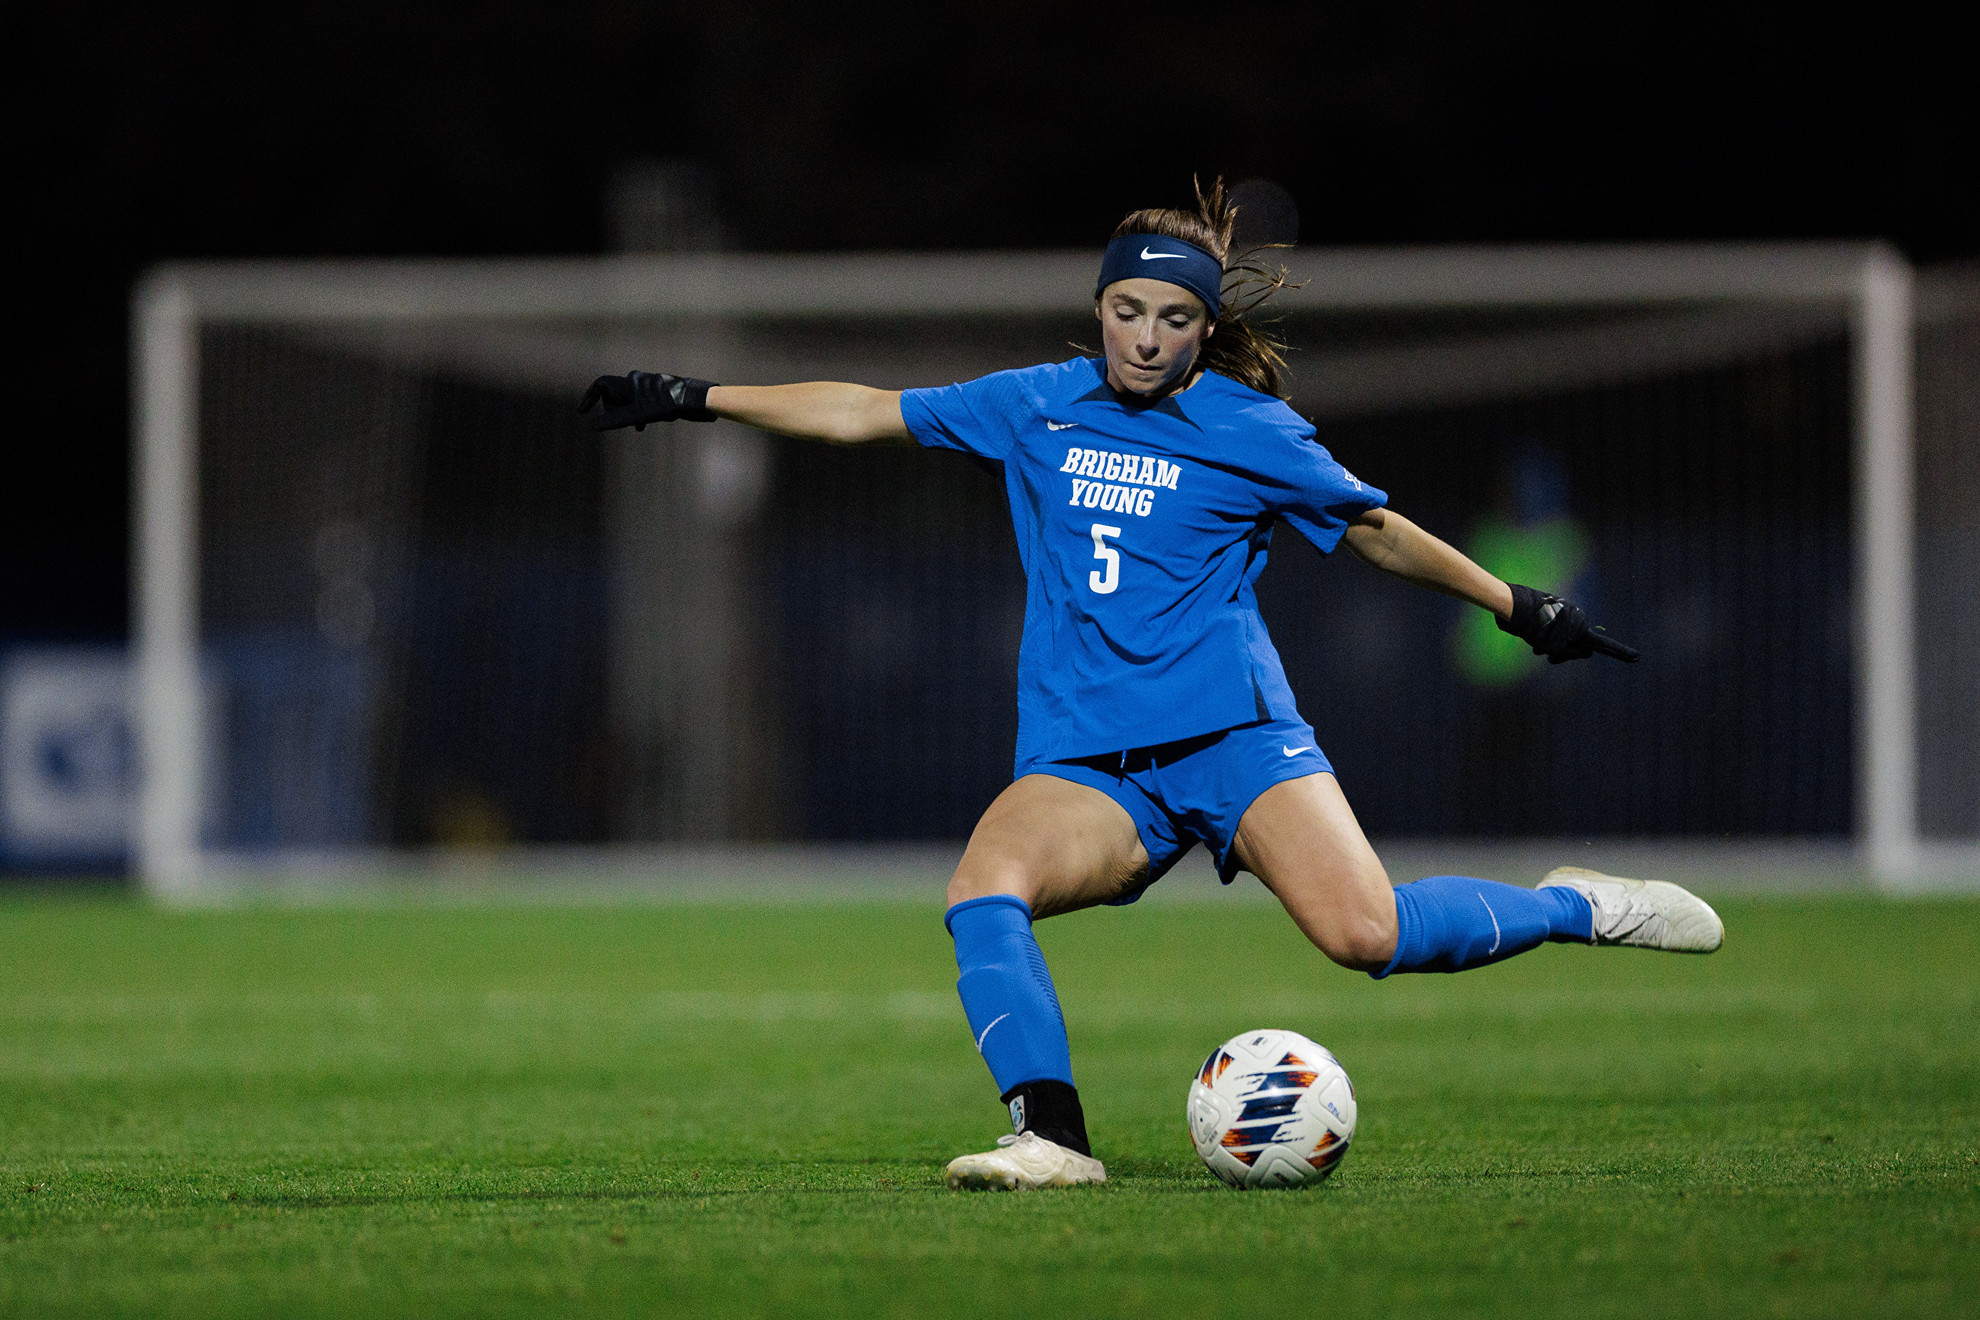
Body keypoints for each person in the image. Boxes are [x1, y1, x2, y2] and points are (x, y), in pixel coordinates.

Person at [579, 180, 1723, 1192]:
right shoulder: (1037, 402)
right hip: (1090, 757)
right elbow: (862, 409)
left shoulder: (1249, 427)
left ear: (1205, 329)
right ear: (1100, 308)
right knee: (986, 883)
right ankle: (1053, 1139)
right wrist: (693, 396)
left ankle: (1576, 903)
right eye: (1128, 310)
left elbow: (1374, 530)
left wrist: (1515, 604)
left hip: (1235, 737)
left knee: (1367, 935)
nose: (1145, 337)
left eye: (1174, 319)